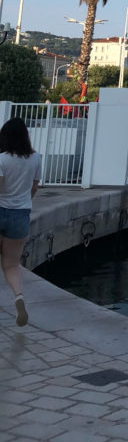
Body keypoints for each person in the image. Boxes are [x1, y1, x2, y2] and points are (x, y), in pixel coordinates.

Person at [0, 117, 42, 327]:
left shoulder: (1, 159)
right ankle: (19, 297)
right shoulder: (35, 158)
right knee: (11, 265)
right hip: (20, 214)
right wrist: (25, 201)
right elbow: (35, 187)